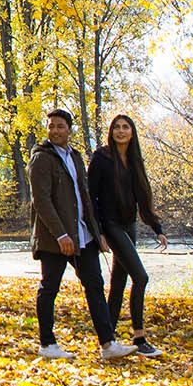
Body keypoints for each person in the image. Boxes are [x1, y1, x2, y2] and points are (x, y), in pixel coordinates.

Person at [28, 107, 132, 361]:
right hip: (55, 238)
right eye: (51, 126)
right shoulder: (41, 158)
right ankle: (47, 344)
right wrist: (61, 234)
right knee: (49, 287)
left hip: (82, 235)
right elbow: (41, 200)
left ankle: (108, 344)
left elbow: (84, 197)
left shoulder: (75, 156)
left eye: (60, 126)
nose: (54, 131)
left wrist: (97, 234)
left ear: (69, 130)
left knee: (95, 286)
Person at [89, 113, 166, 357]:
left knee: (119, 283)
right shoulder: (102, 157)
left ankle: (108, 341)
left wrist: (157, 229)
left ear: (132, 133)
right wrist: (98, 231)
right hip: (110, 224)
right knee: (141, 277)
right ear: (111, 132)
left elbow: (143, 198)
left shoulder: (134, 160)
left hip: (128, 224)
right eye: (117, 128)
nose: (121, 131)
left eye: (126, 127)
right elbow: (91, 197)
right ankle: (139, 337)